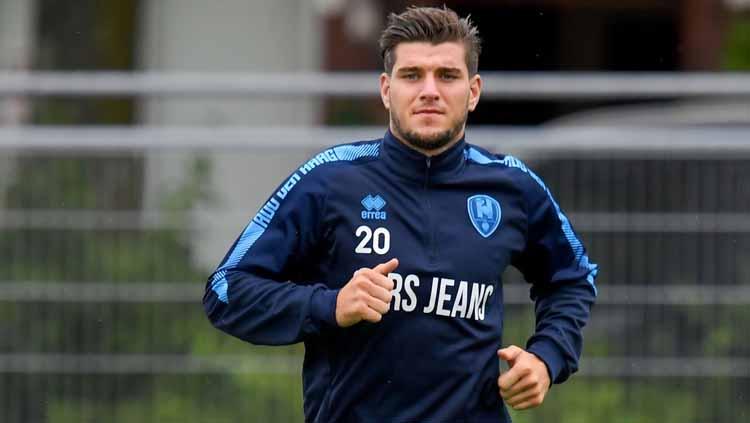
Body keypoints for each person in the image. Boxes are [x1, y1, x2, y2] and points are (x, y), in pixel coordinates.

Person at [203, 6, 598, 422]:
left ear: (474, 90)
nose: (430, 90)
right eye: (412, 76)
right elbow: (226, 290)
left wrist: (547, 357)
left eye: (447, 76)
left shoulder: (512, 187)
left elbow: (573, 278)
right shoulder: (329, 181)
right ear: (386, 89)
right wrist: (330, 305)